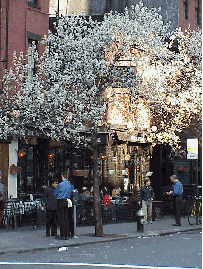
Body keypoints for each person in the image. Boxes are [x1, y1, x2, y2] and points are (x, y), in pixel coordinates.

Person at [54, 170, 74, 240]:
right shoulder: (70, 185)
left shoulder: (61, 184)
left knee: (61, 218)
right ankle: (67, 234)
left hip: (61, 200)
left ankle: (62, 235)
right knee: (66, 218)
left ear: (62, 177)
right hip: (67, 200)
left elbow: (55, 192)